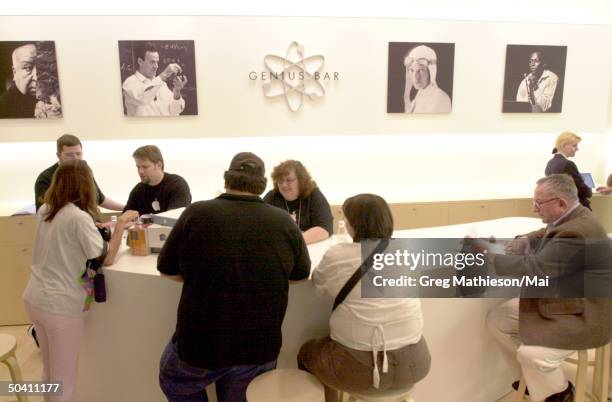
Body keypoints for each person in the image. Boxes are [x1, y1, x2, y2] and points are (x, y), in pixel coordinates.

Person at [157, 152, 310, 402]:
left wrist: (203, 275)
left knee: (173, 380)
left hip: (198, 347)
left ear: (227, 179)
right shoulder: (283, 222)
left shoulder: (197, 213)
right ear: (261, 185)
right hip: (257, 349)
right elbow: (300, 274)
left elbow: (166, 268)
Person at [486, 174, 612, 402]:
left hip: (586, 313)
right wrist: (527, 237)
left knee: (531, 354)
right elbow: (548, 231)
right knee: (498, 318)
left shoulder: (577, 231)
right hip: (571, 302)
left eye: (538, 203)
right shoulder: (576, 216)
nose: (534, 209)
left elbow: (536, 268)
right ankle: (537, 381)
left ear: (561, 203)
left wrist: (489, 258)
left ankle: (561, 395)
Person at [23, 160, 138, 402]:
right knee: (65, 381)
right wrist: (120, 227)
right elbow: (105, 258)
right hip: (61, 307)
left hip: (35, 298)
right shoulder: (77, 218)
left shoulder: (46, 209)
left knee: (50, 372)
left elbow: (64, 242)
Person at [298, 194, 430, 402]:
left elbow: (318, 281)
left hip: (361, 371)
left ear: (354, 225)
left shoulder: (339, 254)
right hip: (416, 362)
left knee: (306, 353)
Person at [34, 134, 124, 211]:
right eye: (69, 155)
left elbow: (100, 199)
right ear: (58, 156)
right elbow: (45, 211)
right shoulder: (45, 178)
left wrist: (126, 208)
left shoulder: (84, 173)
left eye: (78, 154)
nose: (75, 158)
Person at [263, 160, 333, 244]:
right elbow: (260, 226)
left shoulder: (314, 195)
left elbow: (324, 229)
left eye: (289, 180)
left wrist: (293, 242)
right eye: (280, 181)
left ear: (301, 180)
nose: (284, 185)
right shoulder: (272, 196)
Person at [121, 42, 187, 116]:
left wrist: (177, 92)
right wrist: (164, 74)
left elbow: (175, 111)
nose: (156, 66)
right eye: (152, 62)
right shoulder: (129, 83)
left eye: (157, 62)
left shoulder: (162, 85)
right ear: (140, 61)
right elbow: (143, 98)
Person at [123, 145, 191, 215]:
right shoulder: (138, 190)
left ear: (159, 165)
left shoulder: (177, 185)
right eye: (138, 167)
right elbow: (125, 219)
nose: (140, 171)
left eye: (145, 167)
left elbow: (175, 218)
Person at [545, 131, 591, 209]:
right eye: (574, 146)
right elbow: (582, 190)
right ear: (564, 146)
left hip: (561, 208)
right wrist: (589, 190)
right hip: (575, 208)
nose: (577, 149)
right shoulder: (568, 164)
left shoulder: (550, 163)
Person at [403, 45, 451, 114]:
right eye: (411, 70)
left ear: (431, 71)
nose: (415, 76)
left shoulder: (439, 97)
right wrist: (406, 96)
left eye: (420, 70)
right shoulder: (421, 93)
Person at [0, 43, 37, 118]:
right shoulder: (3, 107)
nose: (36, 78)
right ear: (14, 72)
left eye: (42, 68)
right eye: (27, 67)